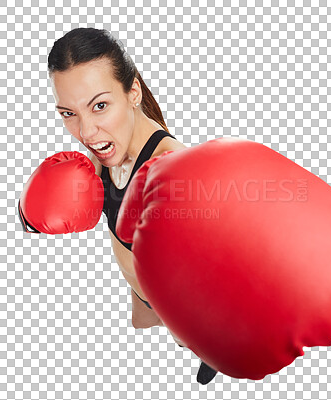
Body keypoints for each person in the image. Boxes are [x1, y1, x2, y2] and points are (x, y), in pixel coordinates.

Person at [46, 27, 217, 384]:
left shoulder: (172, 170)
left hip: (180, 309)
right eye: (68, 113)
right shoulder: (103, 149)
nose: (87, 132)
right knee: (141, 324)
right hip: (140, 293)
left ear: (133, 92)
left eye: (100, 106)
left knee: (186, 342)